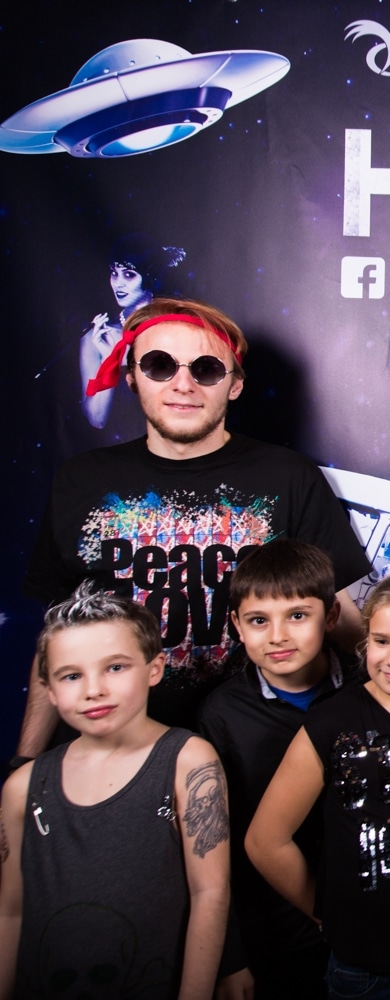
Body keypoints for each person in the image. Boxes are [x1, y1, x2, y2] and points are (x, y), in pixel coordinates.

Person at [21, 297, 371, 758]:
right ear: (131, 376)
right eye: (159, 365)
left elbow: (341, 615)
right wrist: (26, 760)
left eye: (206, 369)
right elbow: (58, 635)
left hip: (253, 750)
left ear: (235, 385)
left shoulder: (289, 477)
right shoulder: (81, 480)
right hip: (113, 753)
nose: (182, 384)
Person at [246, 571, 390, 1000]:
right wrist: (325, 913)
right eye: (381, 641)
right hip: (370, 971)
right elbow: (266, 841)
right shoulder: (333, 721)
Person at [0, 584, 231, 1000]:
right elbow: (10, 911)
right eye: (72, 676)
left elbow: (210, 893)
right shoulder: (23, 787)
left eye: (115, 668)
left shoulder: (188, 762)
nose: (94, 689)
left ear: (154, 668)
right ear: (49, 690)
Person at [197, 539, 358, 999]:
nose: (278, 636)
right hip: (276, 933)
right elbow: (213, 847)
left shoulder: (369, 687)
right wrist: (231, 956)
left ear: (331, 616)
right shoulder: (221, 715)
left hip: (368, 917)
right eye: (258, 621)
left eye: (298, 616)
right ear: (236, 625)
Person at [79, 235, 185, 430]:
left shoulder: (178, 330)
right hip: (119, 445)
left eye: (129, 275)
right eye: (114, 273)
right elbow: (97, 419)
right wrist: (108, 359)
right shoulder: (97, 338)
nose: (118, 283)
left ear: (150, 276)